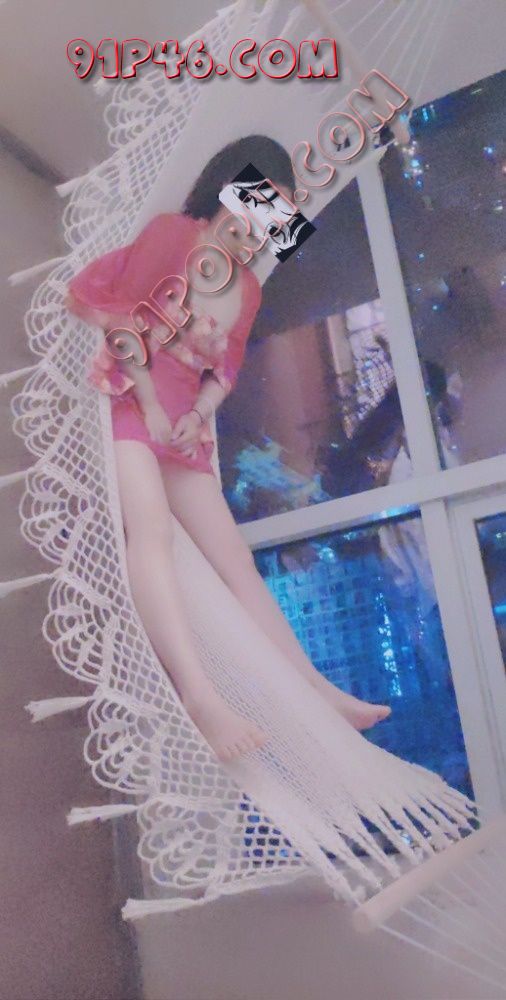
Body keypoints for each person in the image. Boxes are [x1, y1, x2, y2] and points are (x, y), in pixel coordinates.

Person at [65, 134, 391, 763]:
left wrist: (198, 415)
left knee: (236, 561)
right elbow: (125, 320)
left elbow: (227, 371)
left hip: (183, 428)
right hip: (130, 401)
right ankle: (199, 697)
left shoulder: (249, 288)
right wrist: (153, 405)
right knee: (151, 531)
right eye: (253, 212)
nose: (254, 235)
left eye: (269, 224)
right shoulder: (173, 235)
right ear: (227, 192)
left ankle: (315, 689)